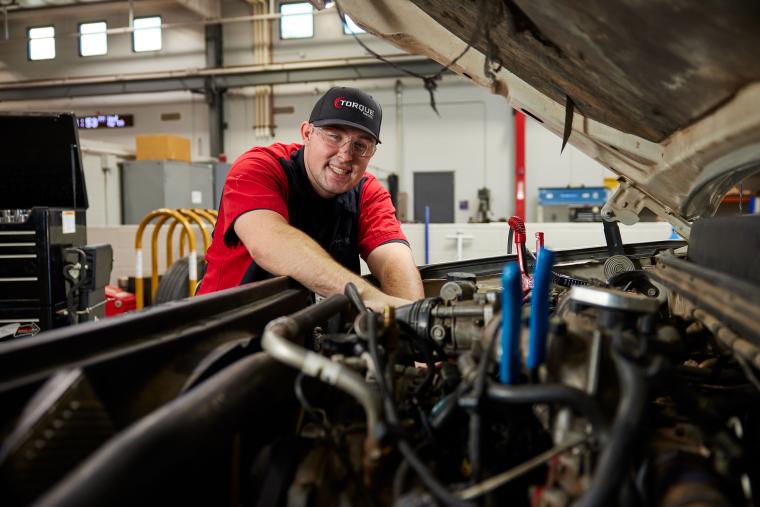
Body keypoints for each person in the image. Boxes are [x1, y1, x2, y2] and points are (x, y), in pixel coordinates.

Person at [198, 86, 424, 309]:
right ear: (307, 133)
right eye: (334, 136)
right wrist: (376, 301)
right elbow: (269, 242)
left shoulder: (367, 191)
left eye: (360, 145)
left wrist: (413, 315)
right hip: (224, 327)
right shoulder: (260, 168)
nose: (345, 155)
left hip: (306, 334)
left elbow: (394, 261)